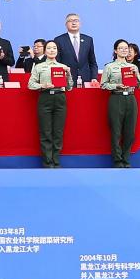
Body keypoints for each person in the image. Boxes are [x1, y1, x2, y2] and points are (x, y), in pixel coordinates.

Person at [27, 40, 72, 168]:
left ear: (57, 51)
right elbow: (30, 84)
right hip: (45, 97)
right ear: (45, 50)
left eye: (54, 48)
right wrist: (43, 85)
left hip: (60, 98)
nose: (52, 50)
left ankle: (56, 161)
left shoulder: (63, 67)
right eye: (49, 48)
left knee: (58, 131)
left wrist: (68, 74)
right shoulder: (39, 66)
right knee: (45, 131)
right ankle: (47, 162)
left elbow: (69, 87)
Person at [101, 39, 140, 168]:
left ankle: (126, 159)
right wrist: (116, 86)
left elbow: (139, 85)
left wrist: (136, 74)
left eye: (126, 48)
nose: (124, 50)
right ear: (115, 50)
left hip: (130, 98)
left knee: (130, 132)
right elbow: (103, 85)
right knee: (116, 131)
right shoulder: (109, 67)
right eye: (121, 48)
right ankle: (117, 160)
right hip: (116, 98)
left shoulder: (133, 67)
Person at [54, 13, 98, 85]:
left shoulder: (88, 39)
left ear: (80, 24)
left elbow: (92, 62)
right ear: (66, 24)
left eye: (76, 20)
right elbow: (57, 63)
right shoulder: (59, 40)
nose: (73, 23)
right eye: (70, 21)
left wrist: (94, 77)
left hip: (85, 79)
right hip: (67, 80)